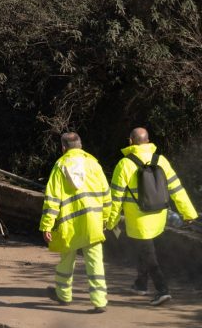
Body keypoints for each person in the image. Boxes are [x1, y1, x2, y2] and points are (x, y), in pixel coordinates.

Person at [106, 127, 198, 306]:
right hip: (159, 215)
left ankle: (162, 290)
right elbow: (176, 189)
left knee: (148, 254)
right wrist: (189, 213)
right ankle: (141, 284)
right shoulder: (161, 160)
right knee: (144, 249)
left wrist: (110, 221)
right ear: (148, 141)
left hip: (139, 218)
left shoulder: (125, 164)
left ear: (130, 141)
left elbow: (115, 197)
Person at [40, 132, 111, 313]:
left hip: (68, 223)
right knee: (95, 262)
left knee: (66, 260)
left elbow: (52, 198)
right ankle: (99, 301)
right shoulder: (94, 164)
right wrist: (106, 218)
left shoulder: (60, 166)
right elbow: (106, 193)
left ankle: (63, 295)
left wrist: (47, 225)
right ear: (80, 145)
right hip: (93, 222)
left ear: (63, 148)